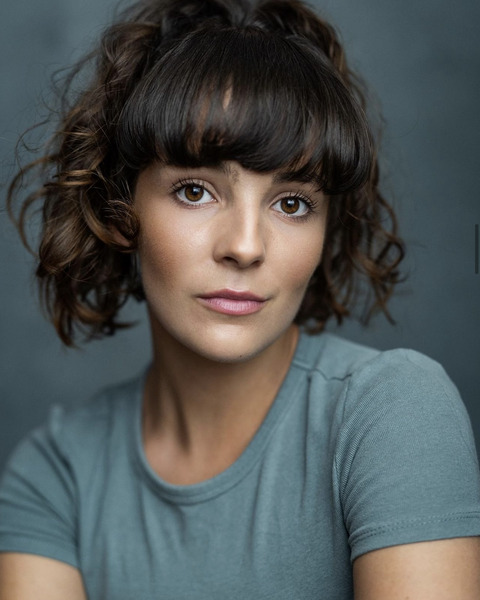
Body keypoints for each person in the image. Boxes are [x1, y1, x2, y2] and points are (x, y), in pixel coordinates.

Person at [1, 0, 480, 598]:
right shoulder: (56, 475)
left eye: (292, 203)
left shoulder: (390, 413)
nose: (246, 247)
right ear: (118, 211)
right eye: (195, 191)